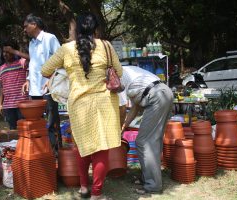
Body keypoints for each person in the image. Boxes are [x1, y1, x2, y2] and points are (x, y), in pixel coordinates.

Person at [41, 13, 122, 200]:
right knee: (102, 148)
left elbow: (45, 70)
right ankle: (96, 194)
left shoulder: (66, 49)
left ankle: (84, 188)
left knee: (83, 147)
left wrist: (64, 71)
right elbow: (119, 71)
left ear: (77, 30)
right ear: (96, 29)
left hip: (79, 105)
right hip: (104, 103)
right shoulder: (106, 46)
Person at [120, 65, 173, 194]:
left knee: (144, 142)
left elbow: (122, 109)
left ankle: (153, 185)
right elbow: (135, 108)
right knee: (153, 140)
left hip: (157, 96)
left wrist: (117, 130)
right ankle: (148, 178)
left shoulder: (118, 76)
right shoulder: (130, 73)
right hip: (164, 93)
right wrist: (124, 127)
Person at [21, 14, 62, 151]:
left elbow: (61, 60)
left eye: (26, 26)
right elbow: (34, 63)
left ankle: (55, 151)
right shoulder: (32, 43)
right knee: (37, 121)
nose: (25, 30)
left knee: (51, 121)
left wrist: (51, 80)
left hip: (49, 88)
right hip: (35, 88)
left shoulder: (50, 38)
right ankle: (41, 150)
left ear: (34, 24)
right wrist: (27, 80)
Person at [0, 40, 29, 129]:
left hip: (22, 104)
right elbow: (2, 87)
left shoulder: (22, 63)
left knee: (24, 129)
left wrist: (15, 51)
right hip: (8, 105)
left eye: (8, 52)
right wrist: (0, 104)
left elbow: (32, 58)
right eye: (4, 52)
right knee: (13, 130)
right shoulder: (1, 68)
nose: (5, 54)